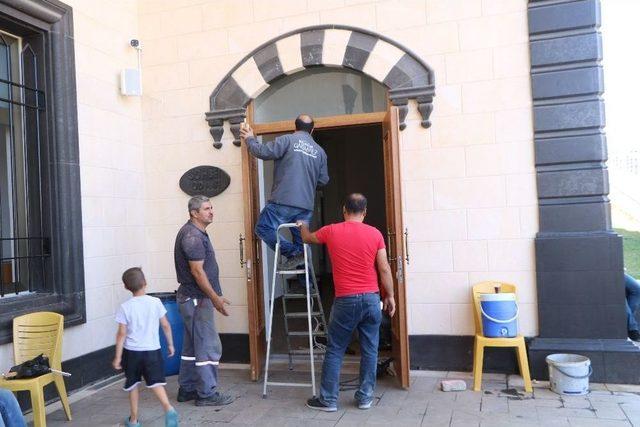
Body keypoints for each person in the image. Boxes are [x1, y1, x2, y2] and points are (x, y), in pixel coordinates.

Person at [297, 193, 396, 412]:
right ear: (365, 211)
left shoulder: (331, 230)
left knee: (335, 350)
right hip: (371, 299)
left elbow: (307, 238)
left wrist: (301, 224)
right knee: (370, 350)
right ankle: (364, 398)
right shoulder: (375, 234)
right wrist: (389, 295)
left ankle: (328, 400)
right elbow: (384, 268)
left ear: (344, 210)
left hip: (346, 300)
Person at [240, 114, 329, 270]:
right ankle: (307, 288)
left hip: (283, 201)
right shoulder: (320, 152)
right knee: (303, 243)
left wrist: (249, 138)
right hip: (305, 206)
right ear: (312, 130)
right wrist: (306, 181)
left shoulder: (287, 140)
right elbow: (323, 180)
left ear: (295, 127)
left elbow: (262, 152)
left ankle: (293, 253)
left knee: (263, 228)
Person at [173, 195, 234, 406]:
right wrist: (215, 298)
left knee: (191, 347)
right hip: (197, 300)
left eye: (211, 207)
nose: (211, 211)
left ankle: (187, 389)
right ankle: (207, 394)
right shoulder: (193, 237)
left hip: (193, 299)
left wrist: (216, 295)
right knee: (208, 346)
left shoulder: (195, 233)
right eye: (207, 208)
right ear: (194, 213)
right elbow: (198, 272)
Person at [112, 267, 179, 427]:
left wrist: (118, 356)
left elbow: (122, 333)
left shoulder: (125, 307)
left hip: (132, 353)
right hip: (152, 351)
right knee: (156, 382)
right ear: (145, 283)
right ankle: (168, 408)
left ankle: (134, 420)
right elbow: (166, 325)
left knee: (133, 384)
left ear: (126, 287)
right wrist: (170, 344)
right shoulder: (155, 302)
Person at [626, 273, 640, 342]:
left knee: (637, 289)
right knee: (619, 292)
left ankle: (628, 324)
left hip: (616, 271)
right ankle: (632, 329)